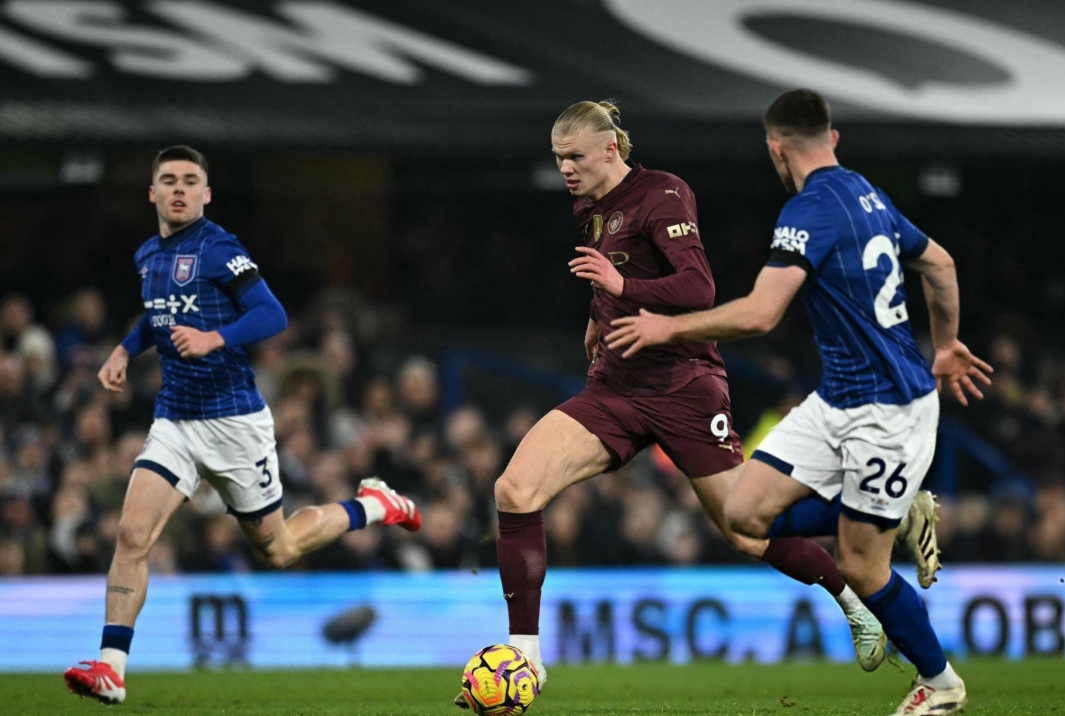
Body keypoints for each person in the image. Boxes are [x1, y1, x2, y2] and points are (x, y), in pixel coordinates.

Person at [468, 100, 889, 705]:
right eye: (559, 158)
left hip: (684, 388)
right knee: (514, 490)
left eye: (575, 156)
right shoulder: (589, 207)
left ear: (610, 149)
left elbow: (699, 287)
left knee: (744, 533)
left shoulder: (662, 194)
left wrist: (621, 288)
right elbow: (610, 276)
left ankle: (852, 597)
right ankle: (527, 658)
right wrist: (598, 315)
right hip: (614, 387)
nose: (565, 168)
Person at [606, 89, 993, 716]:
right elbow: (941, 265)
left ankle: (940, 682)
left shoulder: (806, 212)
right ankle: (896, 515)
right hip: (836, 397)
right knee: (741, 515)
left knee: (862, 568)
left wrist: (666, 327)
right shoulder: (867, 193)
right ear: (832, 139)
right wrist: (945, 344)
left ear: (775, 148)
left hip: (888, 410)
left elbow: (760, 315)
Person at [64, 146, 422, 705]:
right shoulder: (146, 256)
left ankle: (374, 506)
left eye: (190, 181)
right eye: (168, 181)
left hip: (235, 423)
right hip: (176, 420)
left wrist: (215, 337)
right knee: (132, 534)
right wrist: (122, 351)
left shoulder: (217, 247)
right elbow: (156, 316)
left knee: (277, 550)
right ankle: (111, 668)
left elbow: (272, 313)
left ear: (206, 195)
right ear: (152, 193)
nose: (179, 189)